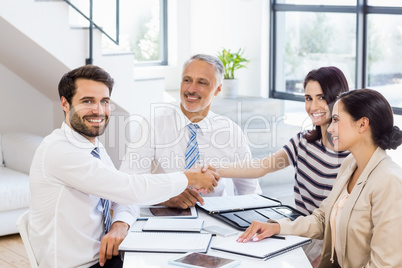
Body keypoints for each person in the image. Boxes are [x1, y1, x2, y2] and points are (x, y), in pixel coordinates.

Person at [28, 65, 219, 268]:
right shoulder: (61, 151)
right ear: (65, 104)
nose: (99, 110)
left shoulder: (91, 145)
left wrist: (121, 224)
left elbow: (121, 194)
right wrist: (188, 178)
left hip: (105, 257)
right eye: (87, 101)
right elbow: (129, 188)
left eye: (105, 101)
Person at [237, 89, 402, 268]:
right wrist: (277, 227)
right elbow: (323, 218)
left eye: (336, 120)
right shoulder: (350, 164)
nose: (329, 128)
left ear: (362, 124)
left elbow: (385, 264)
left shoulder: (389, 181)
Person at [120, 54, 261, 209]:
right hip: (165, 218)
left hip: (218, 219)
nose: (191, 89)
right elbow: (129, 183)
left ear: (218, 89)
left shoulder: (231, 132)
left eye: (202, 82)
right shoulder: (152, 124)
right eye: (187, 80)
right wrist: (166, 197)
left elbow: (250, 191)